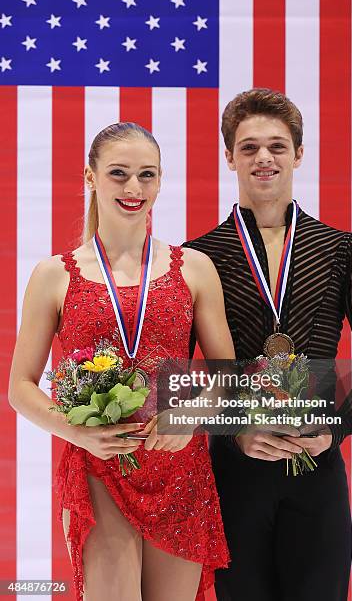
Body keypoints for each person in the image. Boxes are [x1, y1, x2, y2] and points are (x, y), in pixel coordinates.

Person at [184, 88, 352, 601]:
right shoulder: (197, 256)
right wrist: (235, 430)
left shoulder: (343, 250)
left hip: (316, 466)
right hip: (235, 470)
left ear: (298, 155)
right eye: (249, 146)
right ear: (228, 155)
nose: (264, 158)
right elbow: (182, 377)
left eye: (277, 146)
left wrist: (335, 430)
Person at [8, 122, 235, 601]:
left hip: (180, 468)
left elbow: (226, 374)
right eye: (118, 173)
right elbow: (21, 386)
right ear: (90, 177)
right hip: (99, 468)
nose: (134, 188)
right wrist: (76, 431)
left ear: (160, 181)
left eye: (146, 175)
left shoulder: (193, 267)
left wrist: (193, 415)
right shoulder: (53, 274)